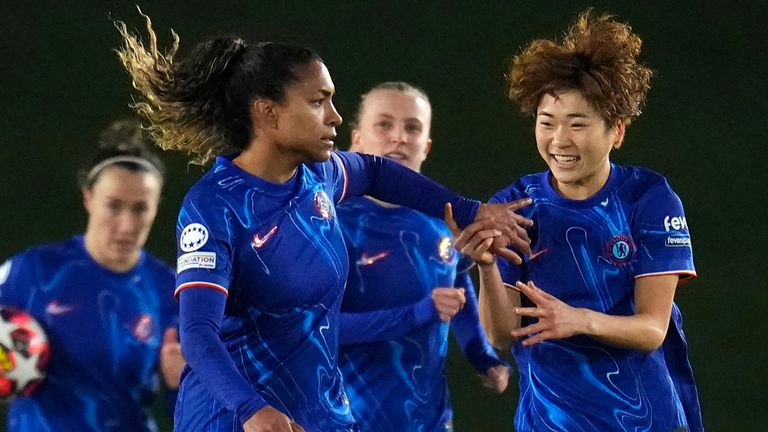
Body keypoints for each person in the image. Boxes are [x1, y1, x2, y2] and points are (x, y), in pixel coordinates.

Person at [114, 10, 531, 432]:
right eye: (318, 101)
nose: (334, 116)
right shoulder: (215, 205)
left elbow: (375, 171)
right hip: (234, 419)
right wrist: (251, 410)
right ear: (268, 113)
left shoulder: (321, 177)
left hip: (322, 417)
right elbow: (199, 335)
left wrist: (469, 209)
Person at [448, 10, 703, 432]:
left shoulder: (649, 199)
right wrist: (488, 267)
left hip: (646, 420)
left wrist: (576, 319)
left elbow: (653, 328)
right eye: (546, 123)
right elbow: (502, 336)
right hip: (550, 423)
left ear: (617, 131)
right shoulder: (514, 206)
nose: (559, 140)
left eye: (578, 124)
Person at [336, 82, 509, 432]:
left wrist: (481, 355)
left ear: (426, 146)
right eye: (384, 124)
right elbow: (317, 329)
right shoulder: (329, 223)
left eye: (412, 127)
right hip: (344, 419)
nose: (399, 137)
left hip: (429, 420)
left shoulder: (443, 221)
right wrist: (416, 314)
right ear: (356, 139)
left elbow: (455, 287)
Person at [0, 120, 184, 431]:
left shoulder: (172, 292)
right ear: (88, 198)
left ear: (156, 208)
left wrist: (185, 386)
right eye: (114, 205)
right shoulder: (34, 271)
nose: (126, 225)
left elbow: (192, 415)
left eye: (140, 209)